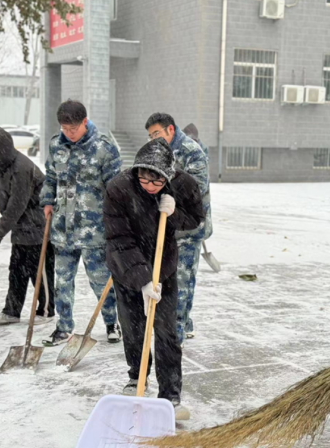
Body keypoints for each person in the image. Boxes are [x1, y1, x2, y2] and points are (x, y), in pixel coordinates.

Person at [103, 138, 205, 420]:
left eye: (156, 182)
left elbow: (196, 217)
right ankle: (137, 378)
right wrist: (143, 280)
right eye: (143, 179)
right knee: (134, 328)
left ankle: (170, 395)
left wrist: (174, 214)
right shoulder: (118, 188)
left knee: (166, 332)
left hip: (165, 268)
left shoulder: (183, 185)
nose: (149, 186)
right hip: (126, 268)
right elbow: (119, 239)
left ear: (168, 177)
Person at [40, 100, 123, 346]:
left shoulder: (105, 149)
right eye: (65, 128)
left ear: (85, 122)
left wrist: (118, 221)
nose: (69, 133)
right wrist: (47, 200)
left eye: (73, 129)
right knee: (62, 281)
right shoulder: (56, 145)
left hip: (94, 231)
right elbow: (51, 176)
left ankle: (111, 322)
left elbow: (116, 189)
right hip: (62, 228)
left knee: (100, 281)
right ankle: (63, 327)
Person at [0, 126, 55, 325]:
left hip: (39, 227)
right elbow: (7, 202)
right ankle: (12, 311)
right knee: (17, 271)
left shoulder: (22, 168)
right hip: (21, 228)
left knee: (40, 273)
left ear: (0, 152)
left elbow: (17, 205)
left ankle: (46, 311)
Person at [145, 113, 212, 345]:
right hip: (165, 225)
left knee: (182, 280)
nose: (153, 139)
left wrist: (170, 195)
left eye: (157, 134)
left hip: (188, 227)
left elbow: (197, 186)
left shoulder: (191, 151)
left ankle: (178, 330)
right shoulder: (157, 151)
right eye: (150, 135)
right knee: (165, 277)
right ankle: (178, 321)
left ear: (170, 130)